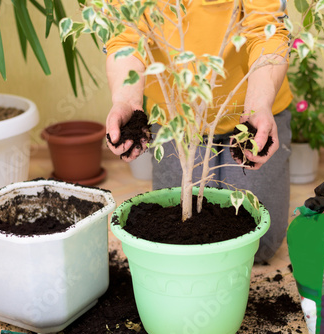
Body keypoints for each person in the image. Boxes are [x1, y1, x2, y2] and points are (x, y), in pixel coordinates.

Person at [104, 0, 292, 263]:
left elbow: (266, 29)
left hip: (250, 107)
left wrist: (258, 105)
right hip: (177, 118)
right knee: (177, 232)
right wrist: (125, 101)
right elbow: (126, 35)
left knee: (260, 245)